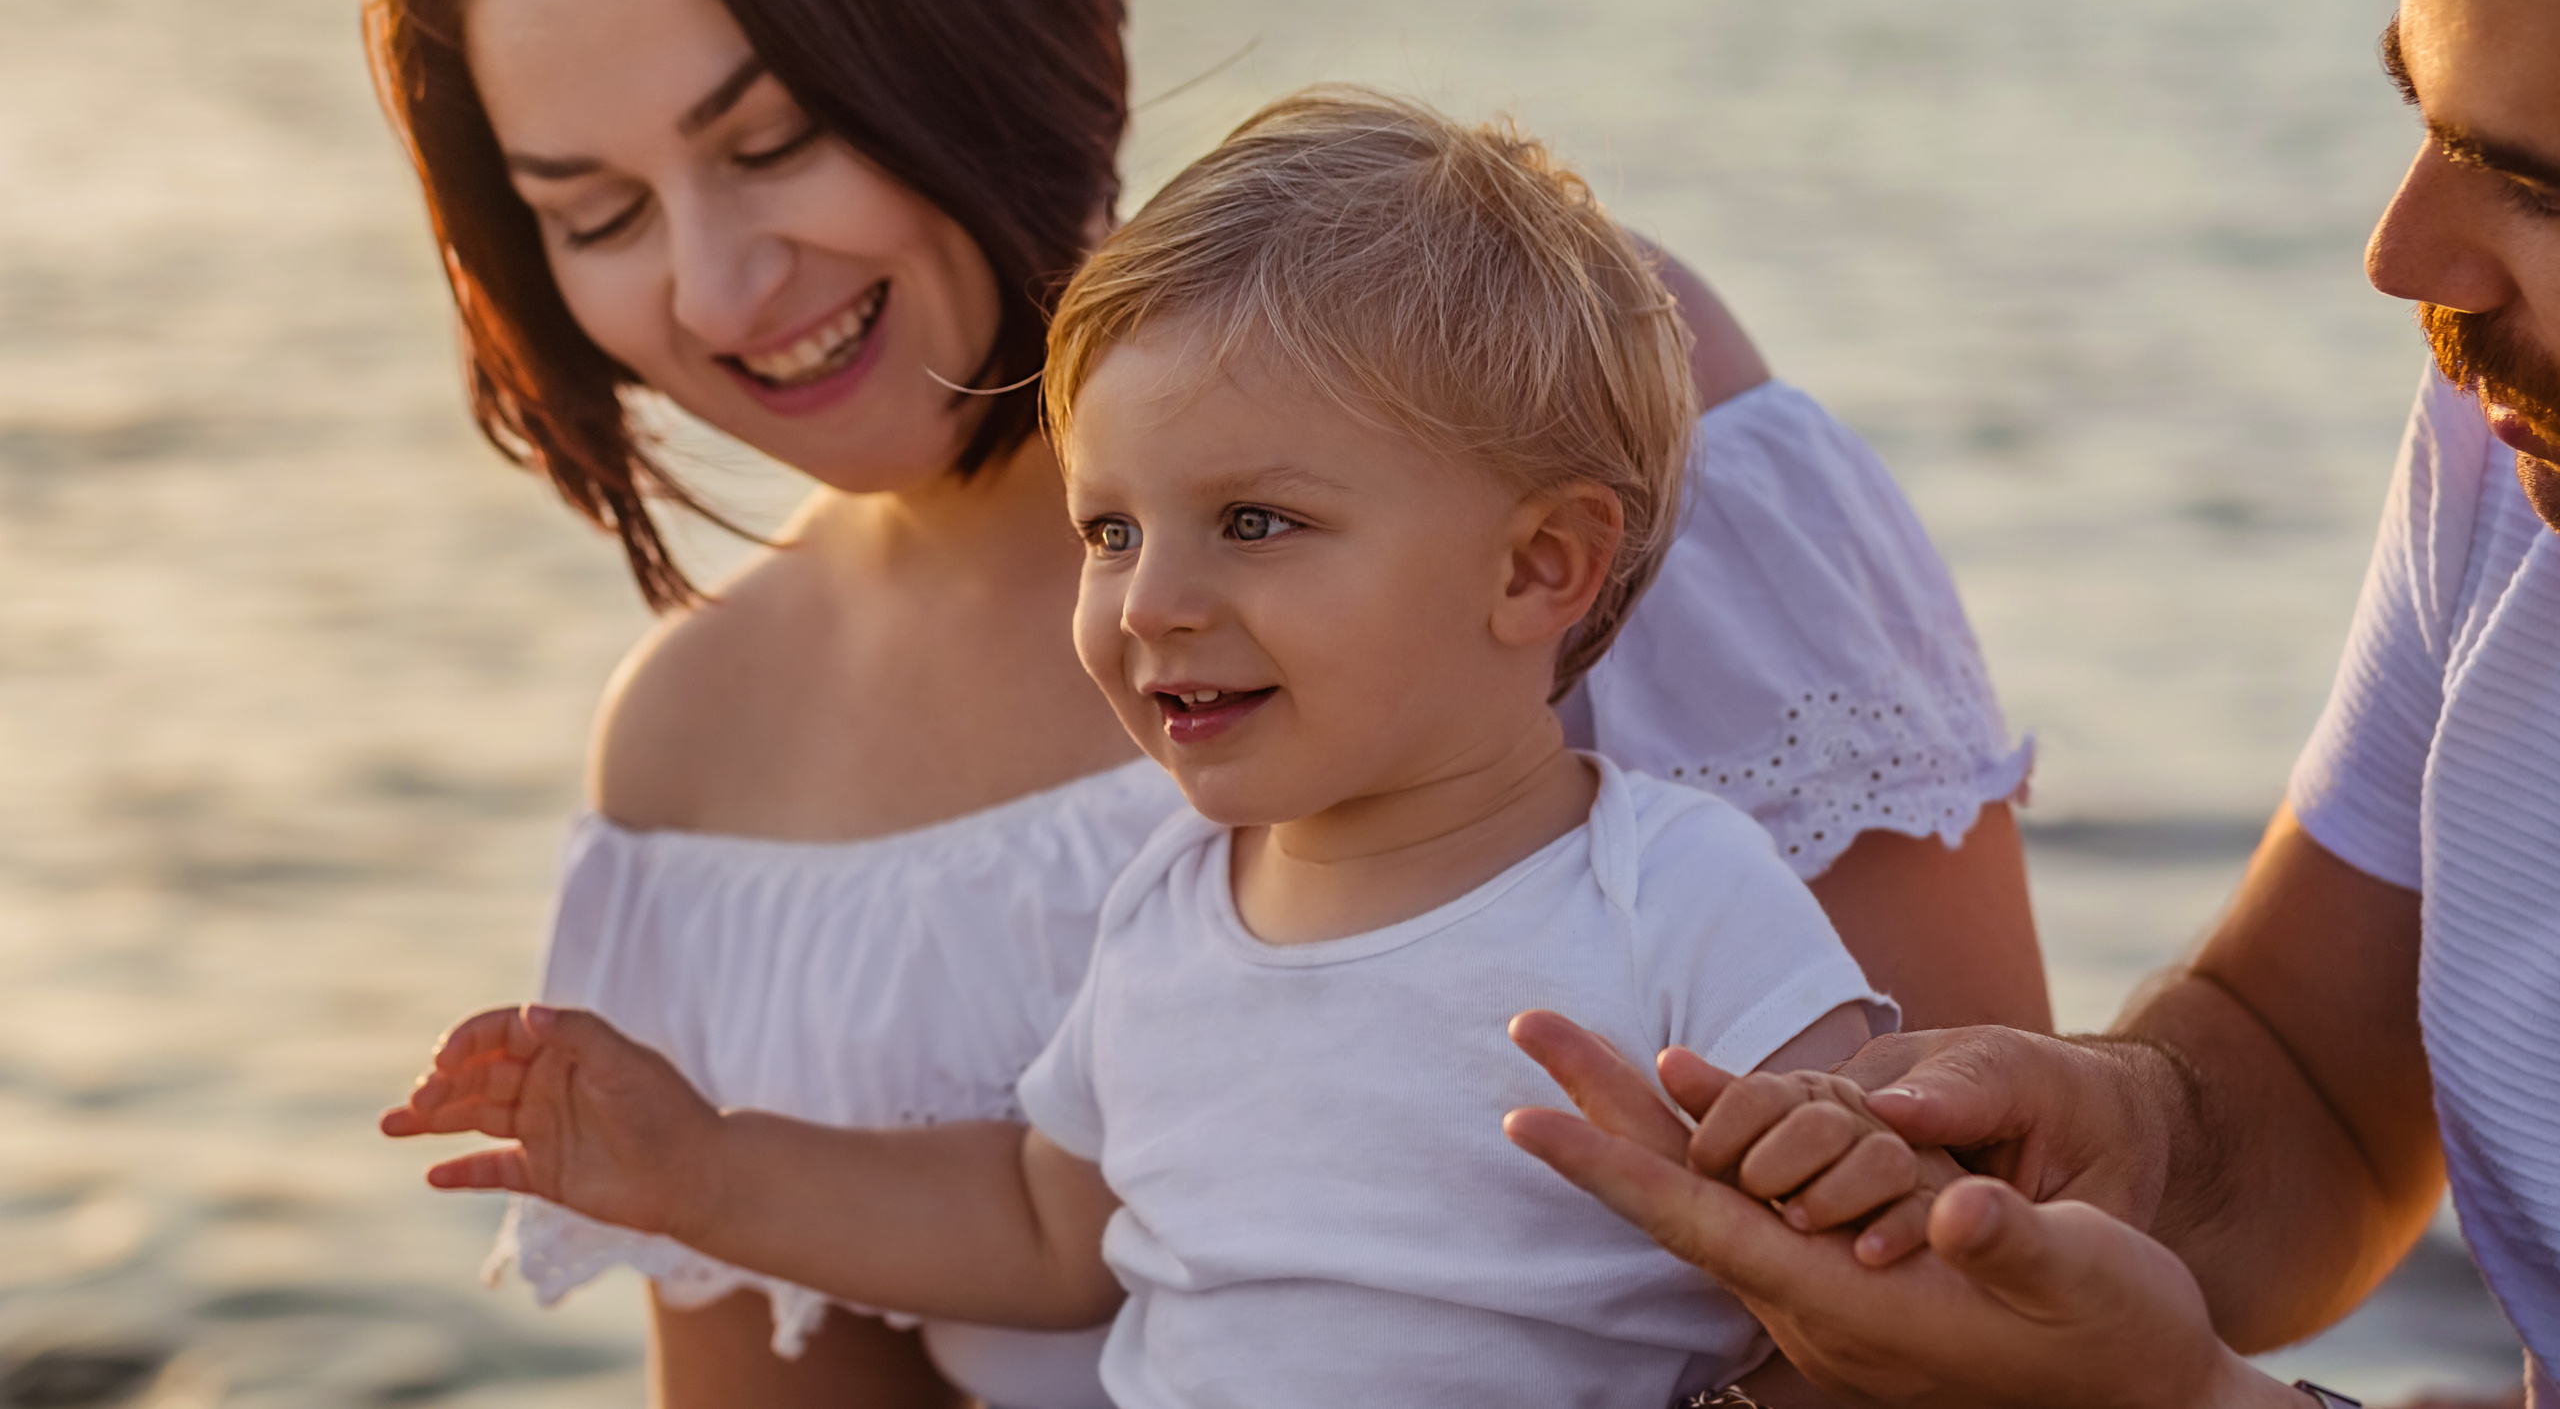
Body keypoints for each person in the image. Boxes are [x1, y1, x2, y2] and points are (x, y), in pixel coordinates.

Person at [368, 0, 2046, 1403]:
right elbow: (1031, 1223)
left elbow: (2003, 1250)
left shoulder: (1520, 391)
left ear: (972, 27)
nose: (720, 288)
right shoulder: (707, 750)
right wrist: (699, 1163)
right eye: (596, 214)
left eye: (774, 138)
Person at [386, 87, 1904, 1409]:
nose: (1150, 601)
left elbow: (1873, 1270)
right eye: (1109, 530)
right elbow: (1039, 1220)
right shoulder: (1172, 910)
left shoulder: (1669, 895)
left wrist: (1855, 1169)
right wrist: (703, 1168)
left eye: (1255, 521)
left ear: (1536, 568)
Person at [1506, 0, 2560, 1406]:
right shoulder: (2505, 457)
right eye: (2425, 121)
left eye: (2538, 188)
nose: (2401, 255)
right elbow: (2311, 1084)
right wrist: (2113, 1132)